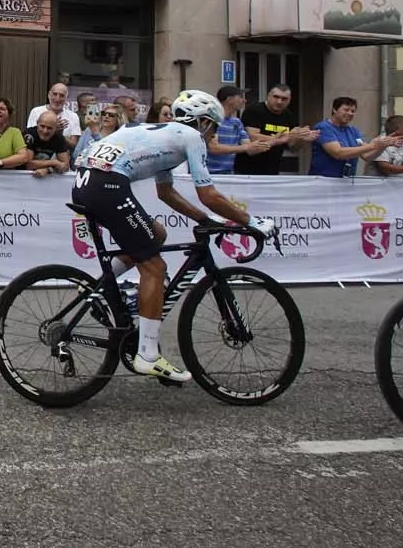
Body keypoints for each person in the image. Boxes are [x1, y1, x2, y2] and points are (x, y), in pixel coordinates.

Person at [72, 90, 279, 383]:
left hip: (87, 182)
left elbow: (165, 193)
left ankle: (96, 288)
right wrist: (253, 221)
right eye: (214, 128)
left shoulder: (165, 135)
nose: (213, 136)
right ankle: (147, 355)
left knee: (155, 235)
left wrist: (205, 220)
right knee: (155, 267)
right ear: (204, 123)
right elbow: (208, 194)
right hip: (106, 185)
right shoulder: (192, 138)